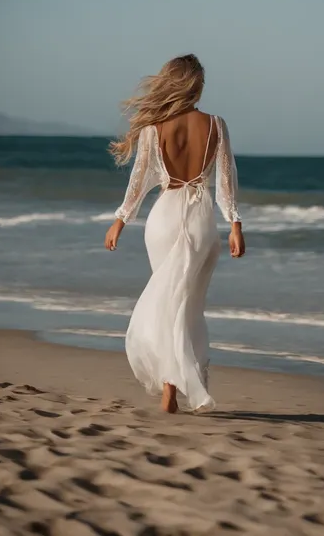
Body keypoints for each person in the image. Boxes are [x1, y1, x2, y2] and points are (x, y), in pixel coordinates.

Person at [104, 54, 245, 413]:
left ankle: (169, 384)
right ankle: (174, 383)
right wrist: (234, 225)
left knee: (169, 302)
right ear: (194, 85)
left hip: (163, 219)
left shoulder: (155, 129)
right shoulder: (216, 125)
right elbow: (227, 180)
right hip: (200, 221)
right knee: (189, 306)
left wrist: (121, 219)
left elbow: (139, 183)